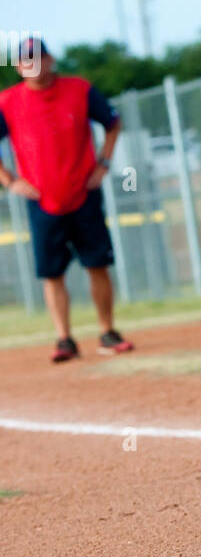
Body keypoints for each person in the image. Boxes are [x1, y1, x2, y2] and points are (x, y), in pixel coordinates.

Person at [0, 37, 134, 362]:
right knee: (52, 273)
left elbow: (113, 124)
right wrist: (9, 181)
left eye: (38, 57)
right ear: (18, 67)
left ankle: (107, 331)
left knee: (97, 264)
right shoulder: (7, 101)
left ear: (50, 60)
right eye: (25, 60)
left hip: (83, 193)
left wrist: (103, 164)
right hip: (41, 200)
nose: (33, 64)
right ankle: (64, 339)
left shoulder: (79, 89)